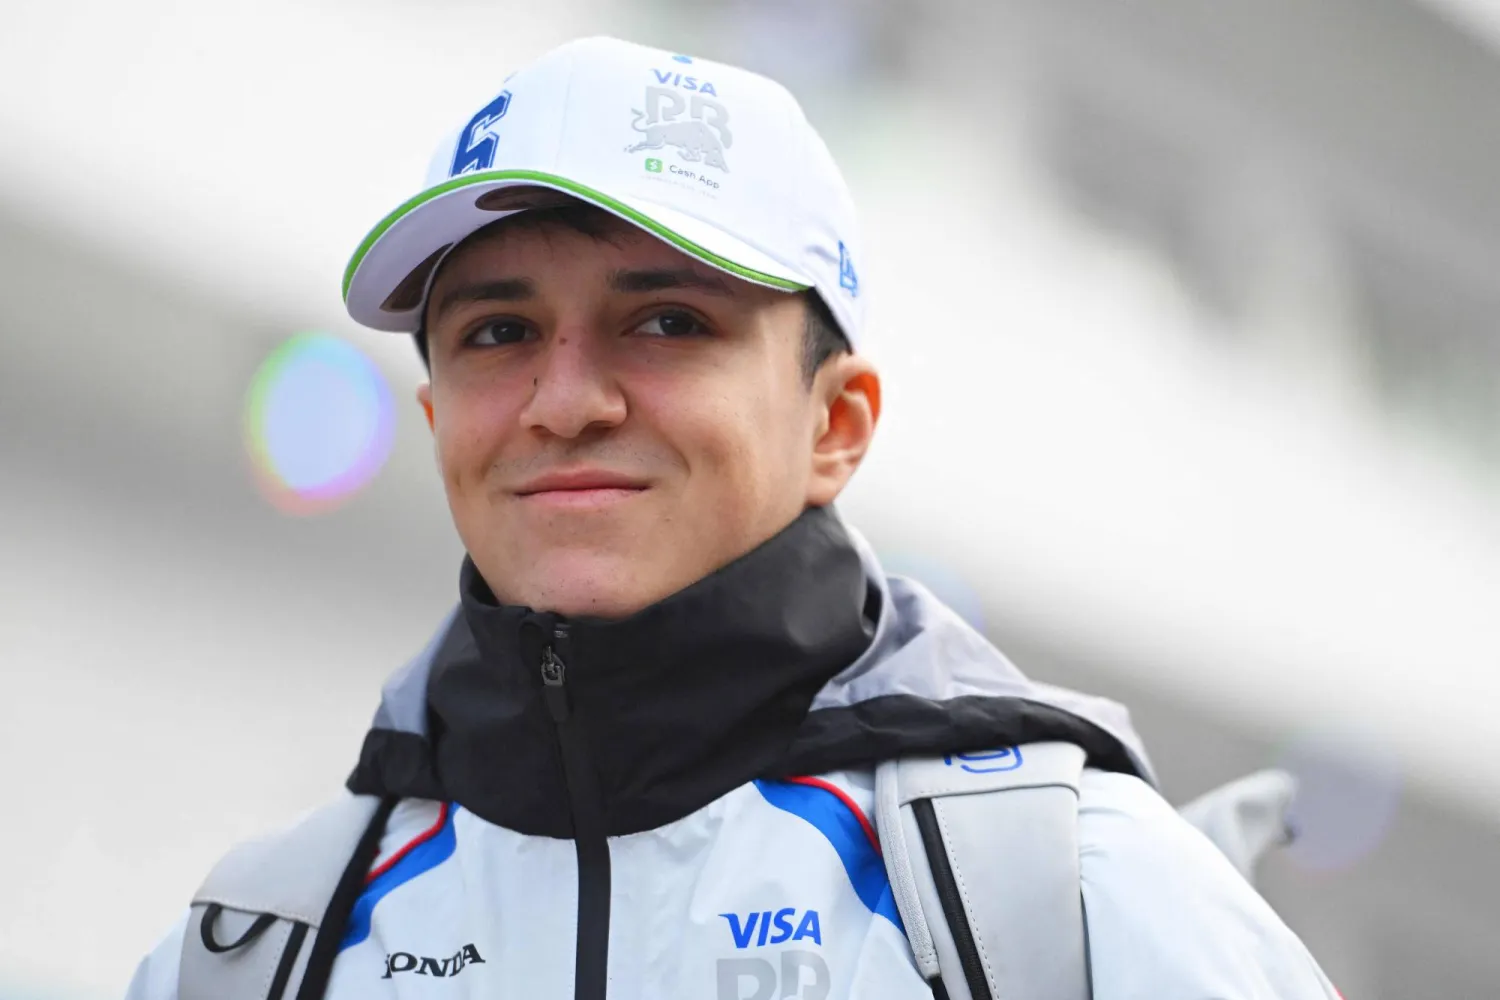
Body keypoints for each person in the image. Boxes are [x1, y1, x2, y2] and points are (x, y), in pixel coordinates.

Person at [125, 36, 1339, 1000]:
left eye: (667, 322)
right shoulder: (259, 949)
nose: (565, 401)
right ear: (439, 416)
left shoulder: (1078, 898)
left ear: (836, 424)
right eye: (499, 331)